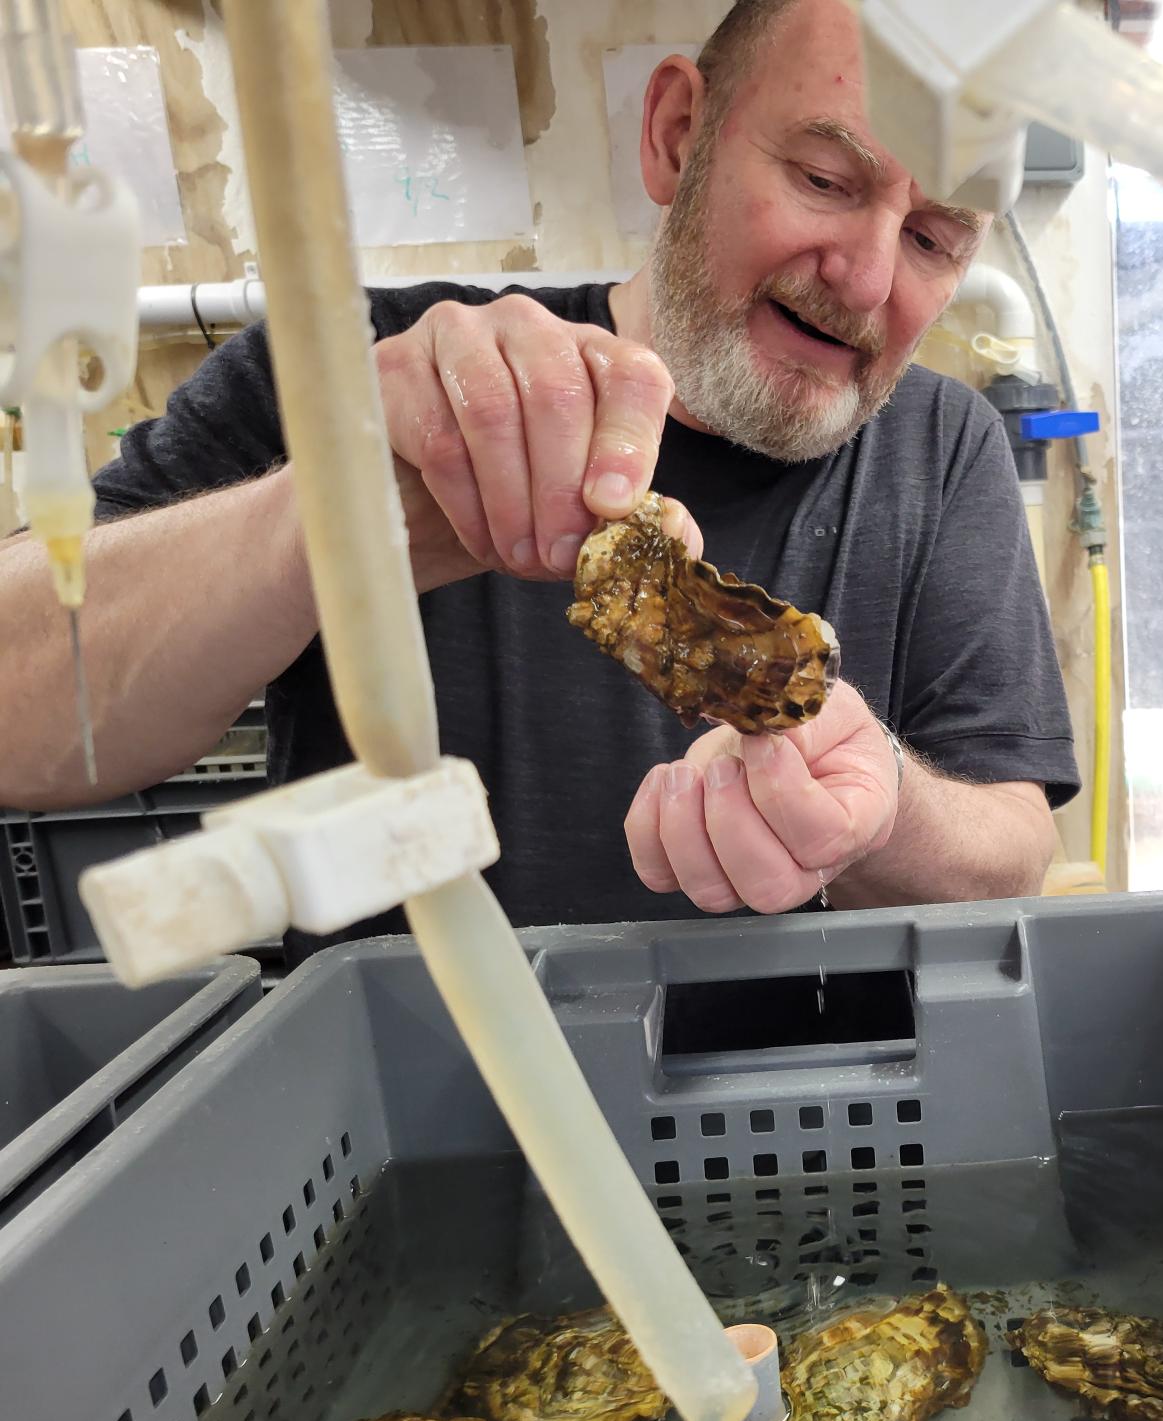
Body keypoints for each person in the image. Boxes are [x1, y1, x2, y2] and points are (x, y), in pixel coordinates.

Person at [0, 0, 1077, 959]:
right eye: (825, 179)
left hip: (790, 1097)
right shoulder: (351, 370)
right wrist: (325, 519)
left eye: (935, 239)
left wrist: (882, 809)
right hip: (397, 1095)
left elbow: (1012, 851)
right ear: (676, 135)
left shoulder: (945, 447)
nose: (870, 276)